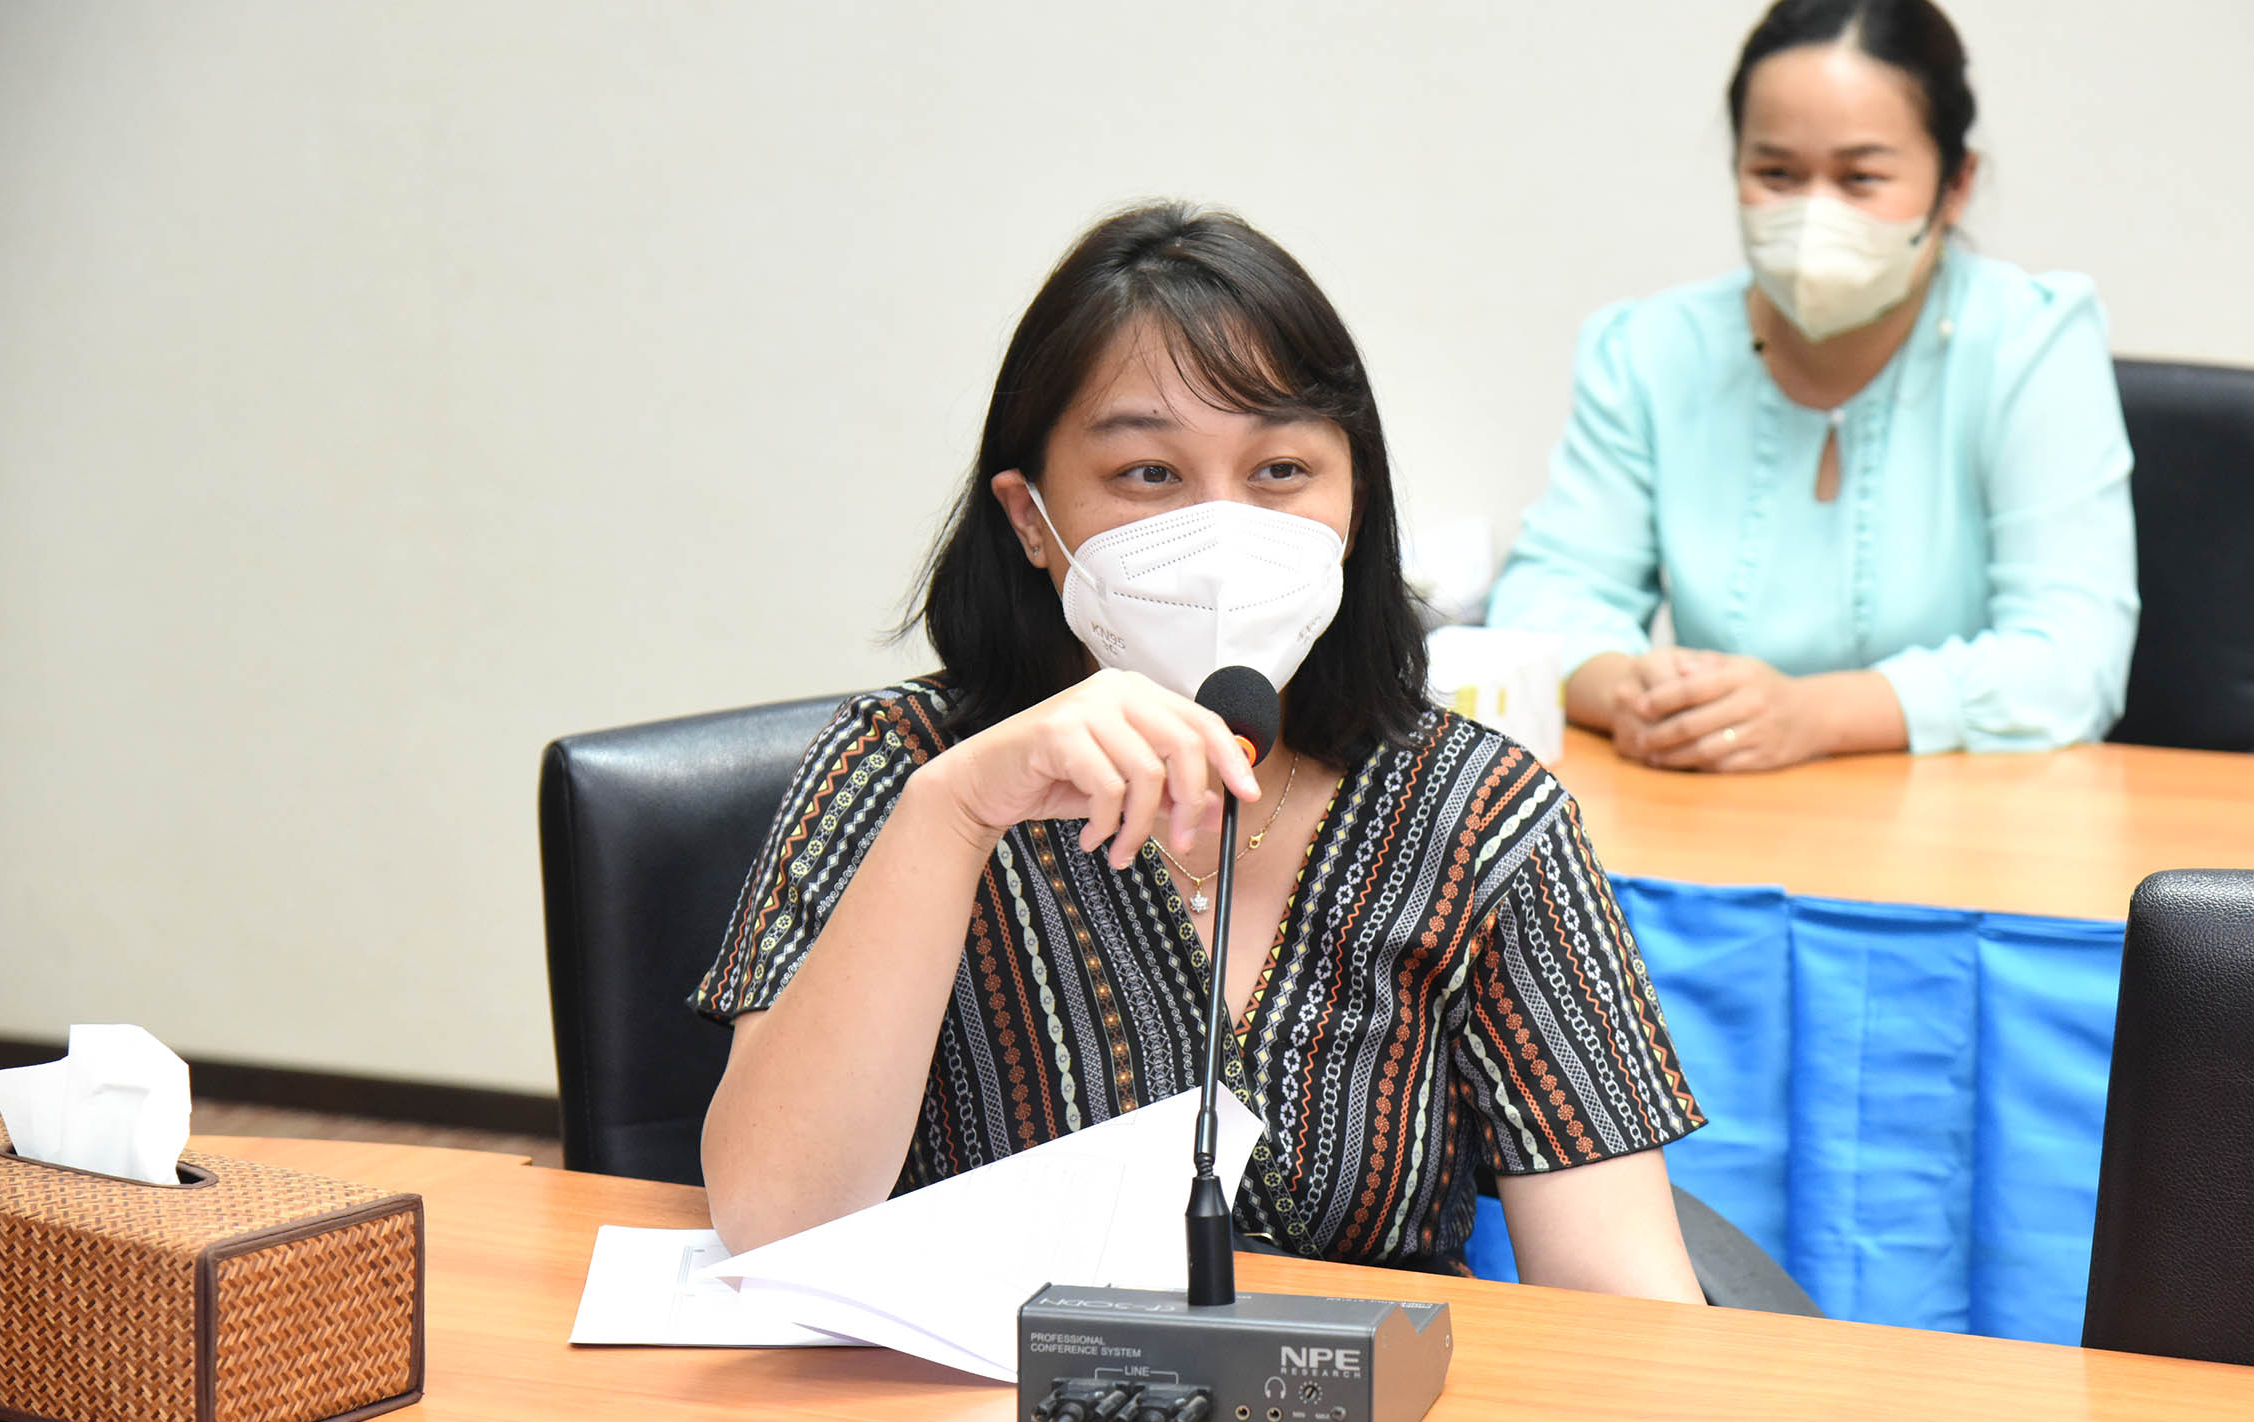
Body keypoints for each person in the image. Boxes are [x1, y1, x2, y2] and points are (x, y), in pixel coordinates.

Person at [693, 202, 1705, 1302]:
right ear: (1029, 518)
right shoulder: (902, 767)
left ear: (1354, 503)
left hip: (1364, 1403)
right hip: (982, 1397)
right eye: (1148, 473)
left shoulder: (1477, 812)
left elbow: (1623, 1298)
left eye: (1280, 469)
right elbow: (774, 1222)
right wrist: (957, 815)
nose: (1223, 533)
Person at [1489, 0, 2138, 770]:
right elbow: (1541, 606)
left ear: (1955, 184)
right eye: (1776, 175)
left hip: (1971, 820)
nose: (1812, 215)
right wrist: (1636, 693)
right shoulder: (1649, 349)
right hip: (1716, 807)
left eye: (1860, 178)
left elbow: (2072, 663)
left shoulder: (2028, 341)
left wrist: (1812, 716)